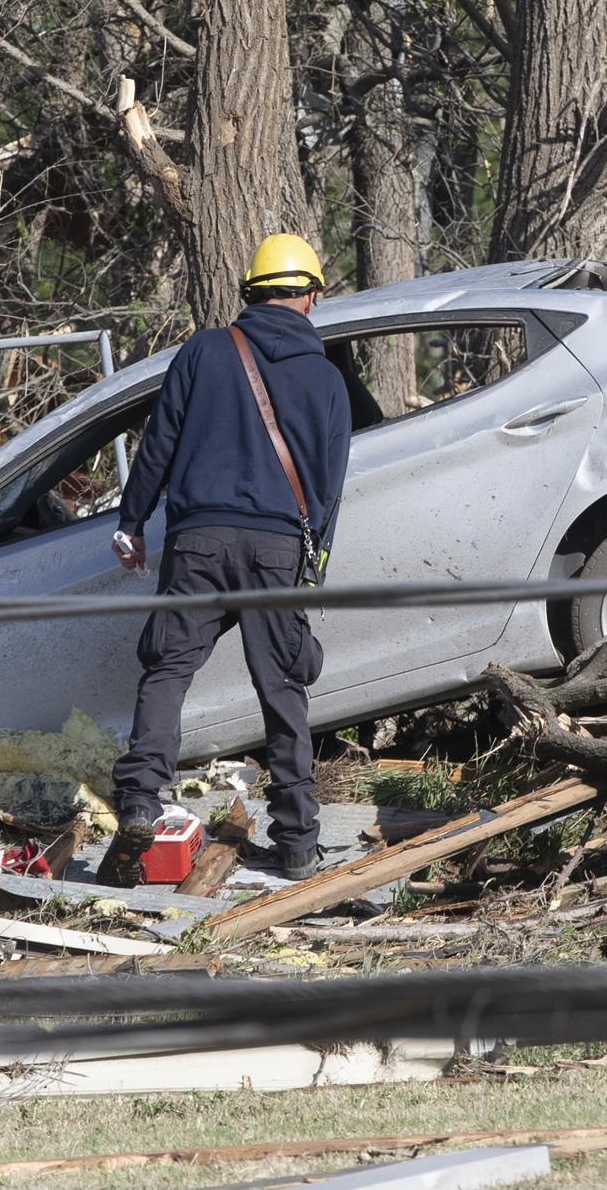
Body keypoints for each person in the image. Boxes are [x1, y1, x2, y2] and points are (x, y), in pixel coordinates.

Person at [108, 233, 367, 879]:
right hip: (277, 545)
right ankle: (299, 844)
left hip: (198, 540)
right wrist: (317, 557)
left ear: (251, 293)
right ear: (309, 297)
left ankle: (141, 800)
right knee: (281, 689)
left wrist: (131, 520)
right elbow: (330, 481)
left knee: (167, 670)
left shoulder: (204, 351)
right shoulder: (328, 379)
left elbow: (159, 444)